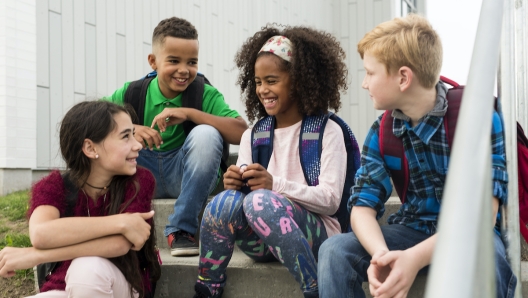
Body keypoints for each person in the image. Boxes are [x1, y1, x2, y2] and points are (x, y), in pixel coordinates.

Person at [317, 14, 516, 298]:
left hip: (471, 236)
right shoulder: (383, 130)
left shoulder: (477, 117)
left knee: (489, 260)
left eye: (370, 73)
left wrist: (414, 260)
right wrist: (382, 255)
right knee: (334, 250)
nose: (364, 83)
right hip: (411, 229)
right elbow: (362, 207)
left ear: (403, 78)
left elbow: (483, 217)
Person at [184, 25, 349, 298]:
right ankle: (207, 288)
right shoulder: (255, 134)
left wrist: (274, 185)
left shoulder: (327, 131)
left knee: (261, 201)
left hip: (315, 237)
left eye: (271, 80)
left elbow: (331, 200)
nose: (263, 89)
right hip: (264, 237)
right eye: (258, 82)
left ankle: (314, 289)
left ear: (298, 81)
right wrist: (235, 184)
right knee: (224, 201)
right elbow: (246, 199)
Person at [105, 17, 248, 257]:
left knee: (206, 133)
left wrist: (189, 113)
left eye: (192, 62)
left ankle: (181, 229)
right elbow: (87, 123)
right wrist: (130, 129)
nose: (184, 70)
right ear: (153, 61)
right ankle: (112, 223)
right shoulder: (132, 92)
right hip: (141, 173)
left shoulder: (204, 93)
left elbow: (242, 132)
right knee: (111, 135)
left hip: (186, 175)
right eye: (174, 61)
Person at [0, 100, 161, 298]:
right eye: (126, 136)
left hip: (124, 283)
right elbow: (41, 233)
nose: (137, 145)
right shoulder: (53, 185)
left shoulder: (139, 181)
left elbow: (120, 244)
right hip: (64, 286)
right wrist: (120, 221)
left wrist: (36, 255)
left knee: (87, 268)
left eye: (133, 135)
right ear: (91, 148)